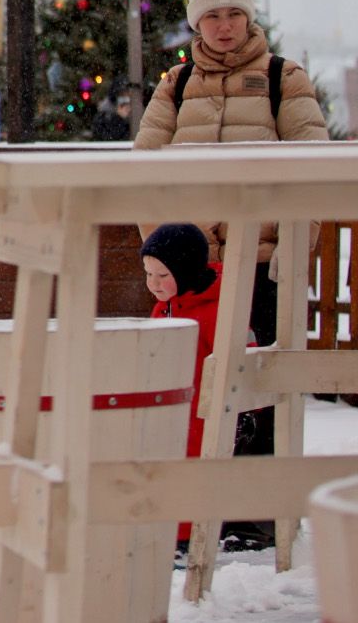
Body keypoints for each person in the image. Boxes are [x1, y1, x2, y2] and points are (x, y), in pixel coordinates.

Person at [135, 0, 324, 545]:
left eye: (233, 13)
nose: (223, 25)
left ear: (248, 17)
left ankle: (254, 512)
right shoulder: (175, 84)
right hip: (196, 273)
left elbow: (314, 172)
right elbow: (143, 170)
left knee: (257, 387)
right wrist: (164, 253)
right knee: (188, 389)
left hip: (262, 265)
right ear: (197, 21)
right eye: (212, 15)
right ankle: (192, 506)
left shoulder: (280, 79)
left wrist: (290, 253)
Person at [141, 222, 271, 557]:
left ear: (184, 272)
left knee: (195, 471)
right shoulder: (165, 306)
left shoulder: (219, 311)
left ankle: (187, 538)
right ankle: (172, 528)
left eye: (162, 275)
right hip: (172, 406)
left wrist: (247, 407)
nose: (153, 284)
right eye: (148, 274)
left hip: (206, 409)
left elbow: (244, 359)